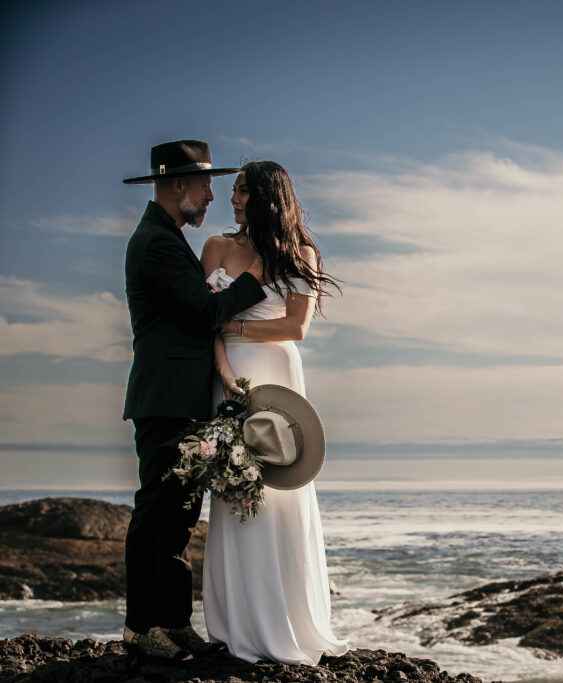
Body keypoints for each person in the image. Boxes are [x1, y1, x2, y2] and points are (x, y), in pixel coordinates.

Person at [122, 140, 268, 659]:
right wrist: (256, 277)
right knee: (156, 512)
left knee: (182, 514)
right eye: (205, 185)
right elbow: (204, 315)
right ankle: (141, 629)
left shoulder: (169, 237)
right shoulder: (157, 244)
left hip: (183, 397)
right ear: (177, 185)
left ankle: (175, 623)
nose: (211, 195)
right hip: (163, 397)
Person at [199, 160, 348, 664]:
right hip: (229, 378)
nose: (234, 198)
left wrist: (234, 331)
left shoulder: (299, 254)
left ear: (268, 197)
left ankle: (287, 620)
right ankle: (237, 623)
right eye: (234, 190)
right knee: (235, 488)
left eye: (243, 191)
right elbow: (205, 323)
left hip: (277, 374)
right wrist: (222, 371)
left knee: (280, 488)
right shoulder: (216, 248)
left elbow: (295, 327)